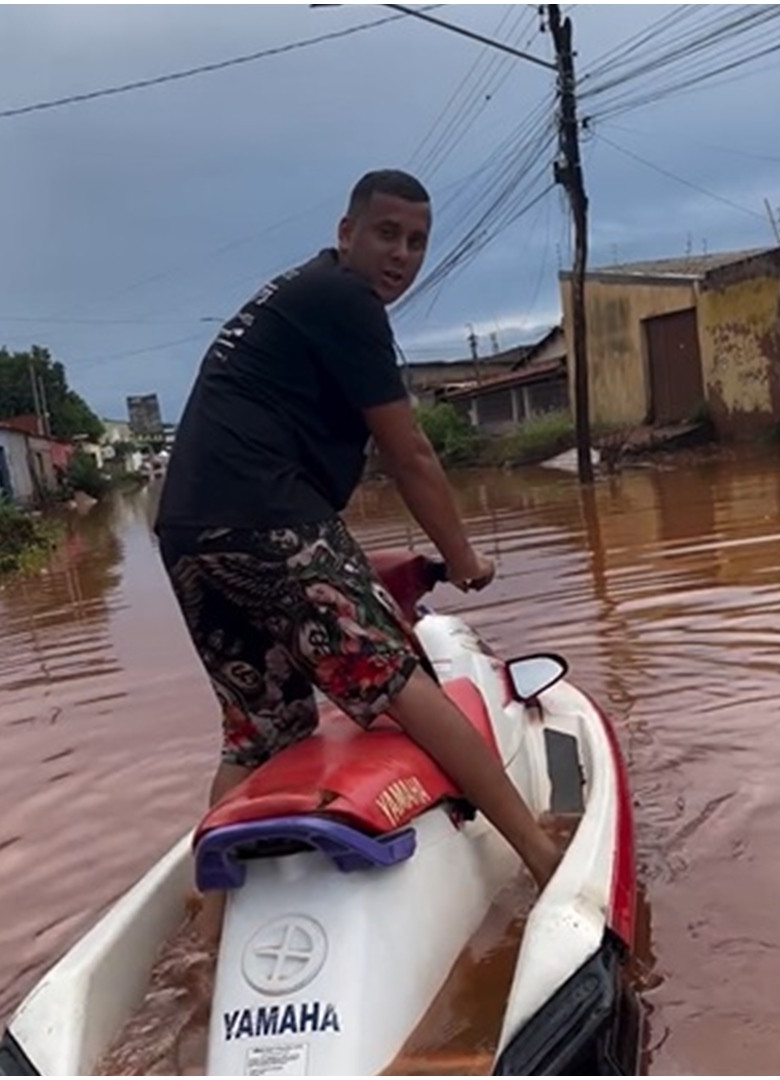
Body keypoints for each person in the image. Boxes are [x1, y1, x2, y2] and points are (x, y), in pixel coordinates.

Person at [154, 169, 561, 894]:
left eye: (416, 241)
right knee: (402, 681)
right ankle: (538, 853)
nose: (401, 254)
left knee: (261, 731)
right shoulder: (348, 300)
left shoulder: (300, 295)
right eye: (386, 233)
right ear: (347, 234)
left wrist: (355, 565)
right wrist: (465, 558)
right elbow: (410, 455)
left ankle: (211, 921)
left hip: (188, 532)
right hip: (266, 515)